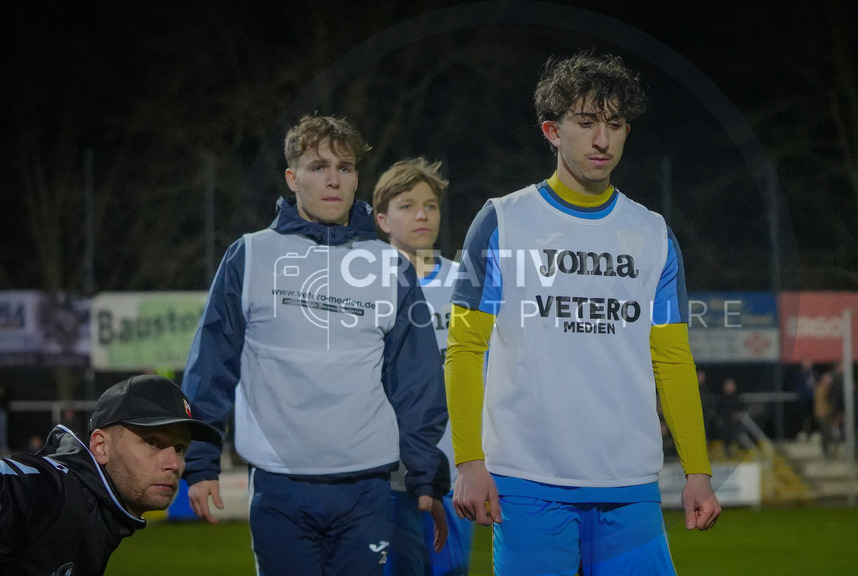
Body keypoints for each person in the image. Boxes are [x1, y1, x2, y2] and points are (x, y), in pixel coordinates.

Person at [445, 51, 721, 574]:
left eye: (614, 125)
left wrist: (697, 470)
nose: (602, 140)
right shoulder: (503, 221)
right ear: (552, 130)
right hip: (526, 481)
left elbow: (672, 359)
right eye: (586, 122)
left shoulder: (653, 234)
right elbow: (465, 347)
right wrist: (469, 461)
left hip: (629, 482)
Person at [181, 114, 450, 575]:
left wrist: (426, 472)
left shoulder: (389, 265)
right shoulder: (251, 255)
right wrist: (201, 463)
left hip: (367, 485)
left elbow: (417, 380)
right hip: (278, 482)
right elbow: (212, 366)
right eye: (318, 167)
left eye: (345, 168)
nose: (333, 180)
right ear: (292, 178)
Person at [0, 374, 220, 575]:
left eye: (180, 448)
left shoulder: (100, 513)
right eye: (152, 442)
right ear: (101, 446)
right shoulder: (52, 490)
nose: (173, 464)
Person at [373, 157, 474, 576]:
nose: (421, 215)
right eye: (407, 205)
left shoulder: (465, 284)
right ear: (382, 219)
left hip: (454, 467)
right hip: (385, 469)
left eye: (430, 205)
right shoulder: (364, 285)